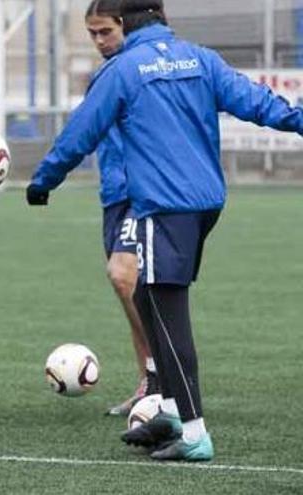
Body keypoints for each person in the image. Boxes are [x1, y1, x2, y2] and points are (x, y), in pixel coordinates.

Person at [26, 0, 303, 462]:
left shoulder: (124, 68)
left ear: (127, 24)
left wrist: (43, 182)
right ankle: (171, 411)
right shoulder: (202, 59)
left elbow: (81, 132)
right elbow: (258, 103)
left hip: (161, 205)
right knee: (145, 297)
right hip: (205, 202)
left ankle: (194, 433)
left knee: (163, 306)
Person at [83, 0, 159, 417]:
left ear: (125, 27)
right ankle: (148, 381)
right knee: (128, 288)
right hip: (113, 196)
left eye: (106, 32)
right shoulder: (103, 76)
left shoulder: (142, 70)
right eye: (92, 33)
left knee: (124, 275)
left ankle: (164, 379)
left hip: (144, 193)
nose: (99, 41)